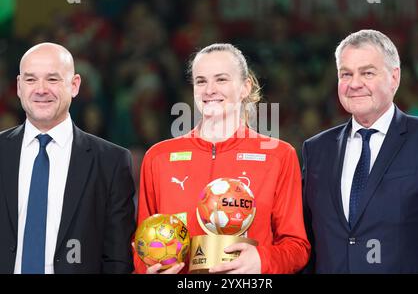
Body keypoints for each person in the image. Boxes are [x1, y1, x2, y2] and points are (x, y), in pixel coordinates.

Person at [134, 43, 310, 274]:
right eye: (201, 81)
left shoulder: (279, 156)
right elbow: (141, 247)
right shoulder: (158, 158)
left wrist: (262, 261)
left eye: (221, 79)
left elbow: (297, 247)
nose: (210, 90)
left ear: (245, 87)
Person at [302, 29, 418, 273]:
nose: (355, 83)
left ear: (394, 78)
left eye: (367, 73)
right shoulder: (316, 149)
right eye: (346, 74)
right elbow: (307, 243)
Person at [0, 43, 136, 273]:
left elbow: (117, 258)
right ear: (19, 86)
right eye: (31, 80)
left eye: (52, 79)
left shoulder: (112, 161)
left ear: (74, 85)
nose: (40, 89)